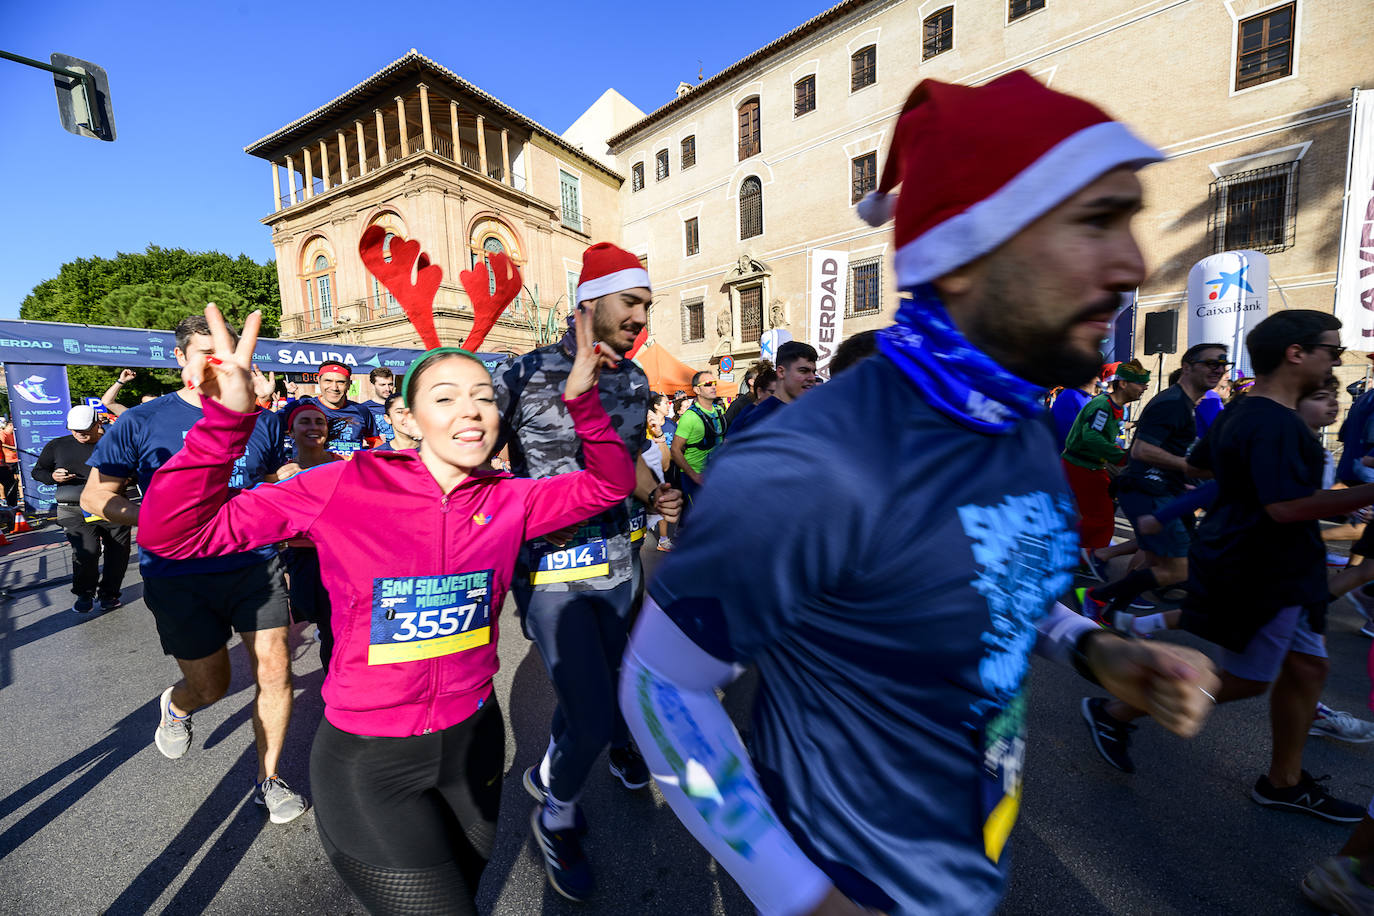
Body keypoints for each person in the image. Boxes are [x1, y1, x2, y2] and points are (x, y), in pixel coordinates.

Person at [621, 71, 1219, 915]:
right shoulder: (814, 459)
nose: (1135, 262)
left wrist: (1097, 650)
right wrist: (799, 897)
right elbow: (661, 686)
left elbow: (989, 581)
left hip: (969, 873)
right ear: (970, 256)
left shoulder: (1016, 421)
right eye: (1096, 221)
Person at [137, 301, 634, 916]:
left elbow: (609, 486)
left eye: (483, 395)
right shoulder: (346, 485)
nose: (471, 408)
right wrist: (225, 423)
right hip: (368, 764)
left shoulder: (513, 500)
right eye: (445, 396)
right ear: (407, 414)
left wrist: (583, 401)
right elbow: (172, 536)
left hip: (474, 745)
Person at [1083, 311, 1372, 823]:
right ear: (1296, 353)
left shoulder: (1243, 412)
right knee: (1249, 679)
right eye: (1332, 348)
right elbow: (1282, 507)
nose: (1338, 357)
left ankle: (1284, 780)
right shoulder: (1273, 422)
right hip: (1262, 567)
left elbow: (1200, 467)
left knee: (1307, 667)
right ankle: (1115, 711)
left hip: (1275, 565)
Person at [491, 242, 682, 901]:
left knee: (608, 694)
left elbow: (625, 461)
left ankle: (557, 772)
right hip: (549, 572)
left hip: (617, 562)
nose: (640, 317)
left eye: (647, 306)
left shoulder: (632, 381)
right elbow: (477, 458)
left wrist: (654, 491)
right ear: (589, 303)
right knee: (595, 712)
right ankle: (558, 813)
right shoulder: (519, 373)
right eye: (632, 302)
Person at [80, 312, 307, 825]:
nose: (219, 364)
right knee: (212, 685)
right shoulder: (142, 421)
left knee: (275, 668)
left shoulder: (261, 417)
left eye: (226, 353)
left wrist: (289, 475)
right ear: (180, 358)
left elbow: (271, 473)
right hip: (178, 571)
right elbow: (97, 494)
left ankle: (268, 780)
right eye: (208, 353)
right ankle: (179, 706)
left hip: (253, 560)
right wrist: (161, 521)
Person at [1082, 342, 1229, 619]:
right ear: (1187, 367)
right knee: (1177, 568)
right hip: (1148, 490)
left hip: (1162, 491)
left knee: (1154, 561)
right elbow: (1141, 450)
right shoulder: (1172, 404)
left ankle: (1110, 610)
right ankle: (1097, 595)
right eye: (1211, 363)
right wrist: (1190, 467)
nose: (1219, 370)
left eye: (1223, 365)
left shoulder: (1184, 404)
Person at [32, 405, 131, 613]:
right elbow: (38, 471)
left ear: (98, 424)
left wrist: (125, 478)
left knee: (118, 553)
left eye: (85, 430)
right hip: (74, 509)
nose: (80, 435)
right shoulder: (57, 445)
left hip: (113, 505)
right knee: (87, 553)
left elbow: (136, 468)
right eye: (75, 430)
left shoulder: (114, 443)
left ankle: (109, 594)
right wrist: (53, 477)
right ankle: (84, 593)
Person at [1062, 360, 1149, 587]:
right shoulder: (1103, 406)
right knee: (1101, 517)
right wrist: (1121, 456)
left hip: (1090, 465)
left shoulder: (1112, 406)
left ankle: (1080, 555)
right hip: (1082, 465)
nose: (1145, 388)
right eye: (1140, 384)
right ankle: (1083, 556)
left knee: (1099, 515)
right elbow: (1092, 437)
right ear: (1122, 384)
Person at [271, 402, 343, 671]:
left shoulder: (344, 465)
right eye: (305, 422)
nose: (314, 427)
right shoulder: (283, 473)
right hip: (305, 555)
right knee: (318, 617)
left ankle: (335, 685)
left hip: (342, 555)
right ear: (291, 432)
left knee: (334, 626)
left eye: (319, 422)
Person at [727, 340, 818, 436]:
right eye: (803, 371)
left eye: (813, 372)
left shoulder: (805, 412)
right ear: (781, 372)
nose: (812, 378)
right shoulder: (761, 418)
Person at [670, 370, 727, 514]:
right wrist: (694, 475)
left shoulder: (719, 410)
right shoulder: (689, 417)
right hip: (694, 478)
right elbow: (675, 450)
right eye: (708, 384)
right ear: (697, 390)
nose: (713, 386)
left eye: (714, 383)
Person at [293, 361, 379, 455]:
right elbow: (275, 430)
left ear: (349, 384)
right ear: (318, 381)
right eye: (328, 381)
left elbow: (376, 443)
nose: (334, 387)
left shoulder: (361, 410)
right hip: (313, 469)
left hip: (349, 469)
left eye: (341, 382)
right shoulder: (301, 407)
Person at [364, 367, 397, 445]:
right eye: (382, 385)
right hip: (375, 453)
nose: (388, 389)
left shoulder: (400, 406)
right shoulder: (364, 409)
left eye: (390, 384)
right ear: (373, 385)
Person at [0, 416, 18, 515]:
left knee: (12, 481)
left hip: (4, 464)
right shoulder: (2, 434)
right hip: (4, 463)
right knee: (9, 482)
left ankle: (12, 506)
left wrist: (5, 464)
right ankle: (7, 502)